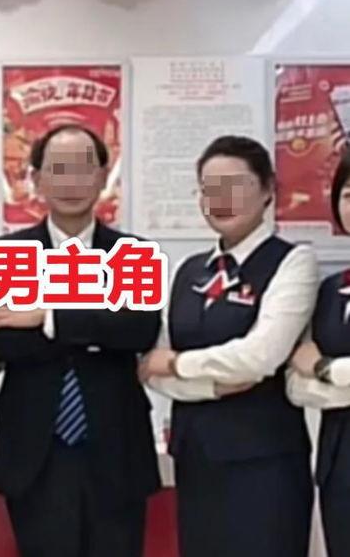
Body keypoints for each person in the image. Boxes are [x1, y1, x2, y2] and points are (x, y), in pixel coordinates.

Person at [0, 124, 161, 557]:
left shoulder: (131, 254)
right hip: (35, 454)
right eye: (58, 170)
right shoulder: (10, 254)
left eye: (83, 169)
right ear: (37, 179)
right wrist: (98, 325)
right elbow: (2, 343)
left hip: (117, 450)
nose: (71, 182)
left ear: (102, 177)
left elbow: (139, 329)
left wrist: (46, 317)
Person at [140, 136, 318, 557]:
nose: (221, 199)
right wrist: (214, 385)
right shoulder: (188, 272)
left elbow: (260, 356)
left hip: (264, 464)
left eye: (235, 185)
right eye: (209, 189)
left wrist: (179, 364)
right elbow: (150, 367)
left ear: (268, 189)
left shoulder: (292, 262)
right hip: (196, 460)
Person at [288, 151, 350, 557]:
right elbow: (296, 384)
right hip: (338, 463)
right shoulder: (330, 290)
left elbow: (311, 366)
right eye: (348, 194)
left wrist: (324, 368)